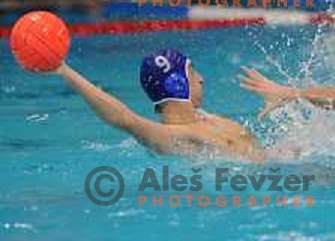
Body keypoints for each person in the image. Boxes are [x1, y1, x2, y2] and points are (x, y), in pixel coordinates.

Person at [48, 49, 264, 161]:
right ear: (176, 82)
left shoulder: (210, 119)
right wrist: (64, 71)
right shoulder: (172, 138)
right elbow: (124, 119)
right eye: (192, 72)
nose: (201, 79)